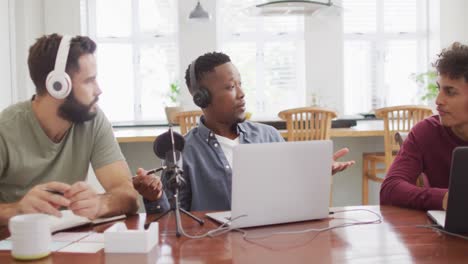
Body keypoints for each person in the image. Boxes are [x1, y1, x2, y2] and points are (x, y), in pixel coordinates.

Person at [134, 52, 354, 212]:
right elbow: (171, 220)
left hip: (271, 242)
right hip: (216, 249)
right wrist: (155, 197)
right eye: (230, 87)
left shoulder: (269, 136)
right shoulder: (184, 152)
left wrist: (314, 175)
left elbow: (290, 195)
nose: (242, 94)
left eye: (240, 84)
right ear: (202, 98)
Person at [0, 34, 138, 226]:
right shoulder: (5, 129)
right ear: (58, 86)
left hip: (66, 241)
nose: (98, 90)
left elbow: (127, 193)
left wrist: (101, 203)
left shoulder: (93, 119)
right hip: (12, 244)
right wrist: (16, 210)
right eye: (89, 81)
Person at [380, 42, 468, 211]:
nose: (438, 100)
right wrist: (444, 199)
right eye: (439, 89)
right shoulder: (426, 132)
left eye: (450, 92)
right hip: (445, 234)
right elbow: (390, 189)